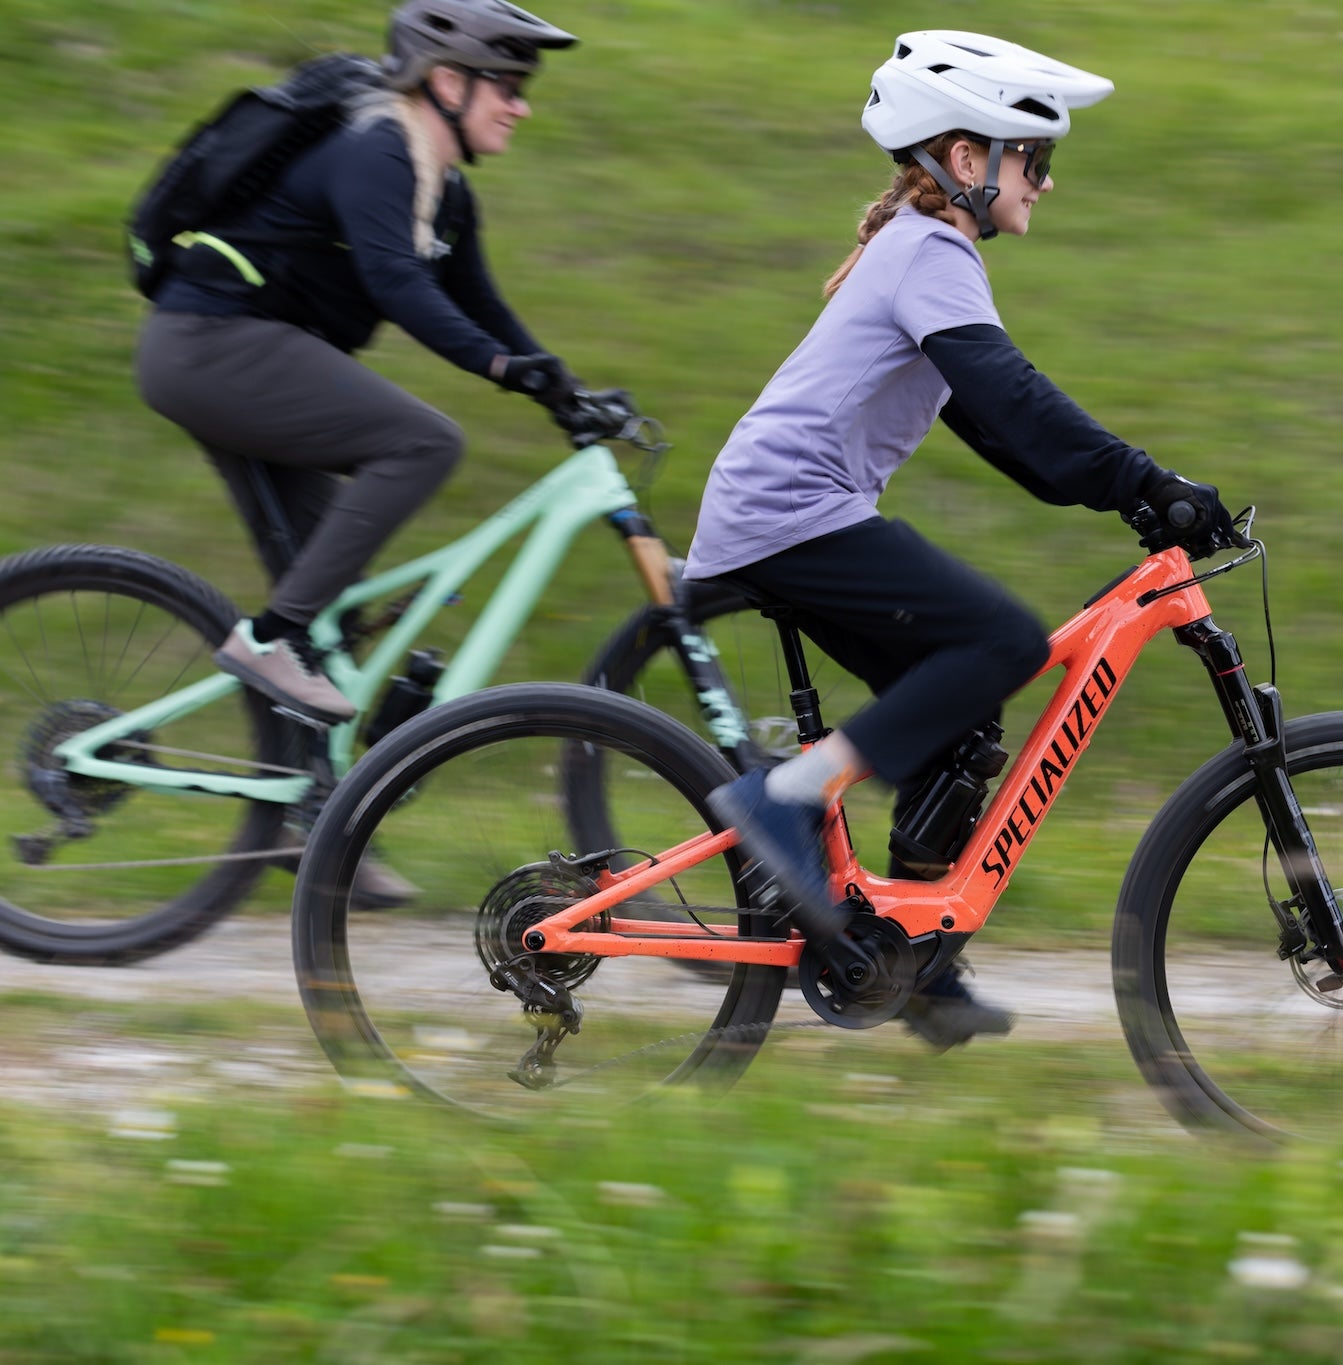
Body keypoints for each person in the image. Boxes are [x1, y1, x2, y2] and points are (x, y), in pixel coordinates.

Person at [690, 31, 1249, 1048]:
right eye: (1033, 160)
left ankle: (907, 961)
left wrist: (1124, 501)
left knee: (958, 716)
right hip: (789, 514)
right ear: (966, 160)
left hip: (788, 512)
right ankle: (783, 802)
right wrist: (1142, 478)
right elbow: (1014, 395)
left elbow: (1001, 434)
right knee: (1000, 642)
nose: (1043, 183)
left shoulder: (919, 251)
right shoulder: (931, 253)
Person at [134, 0, 585, 726]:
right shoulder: (375, 147)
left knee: (334, 609)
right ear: (446, 83)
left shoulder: (445, 189)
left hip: (240, 359)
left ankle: (316, 818)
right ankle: (268, 641)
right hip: (210, 347)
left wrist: (562, 387)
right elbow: (398, 285)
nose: (520, 107)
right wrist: (504, 369)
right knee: (424, 441)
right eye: (507, 85)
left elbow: (479, 302)